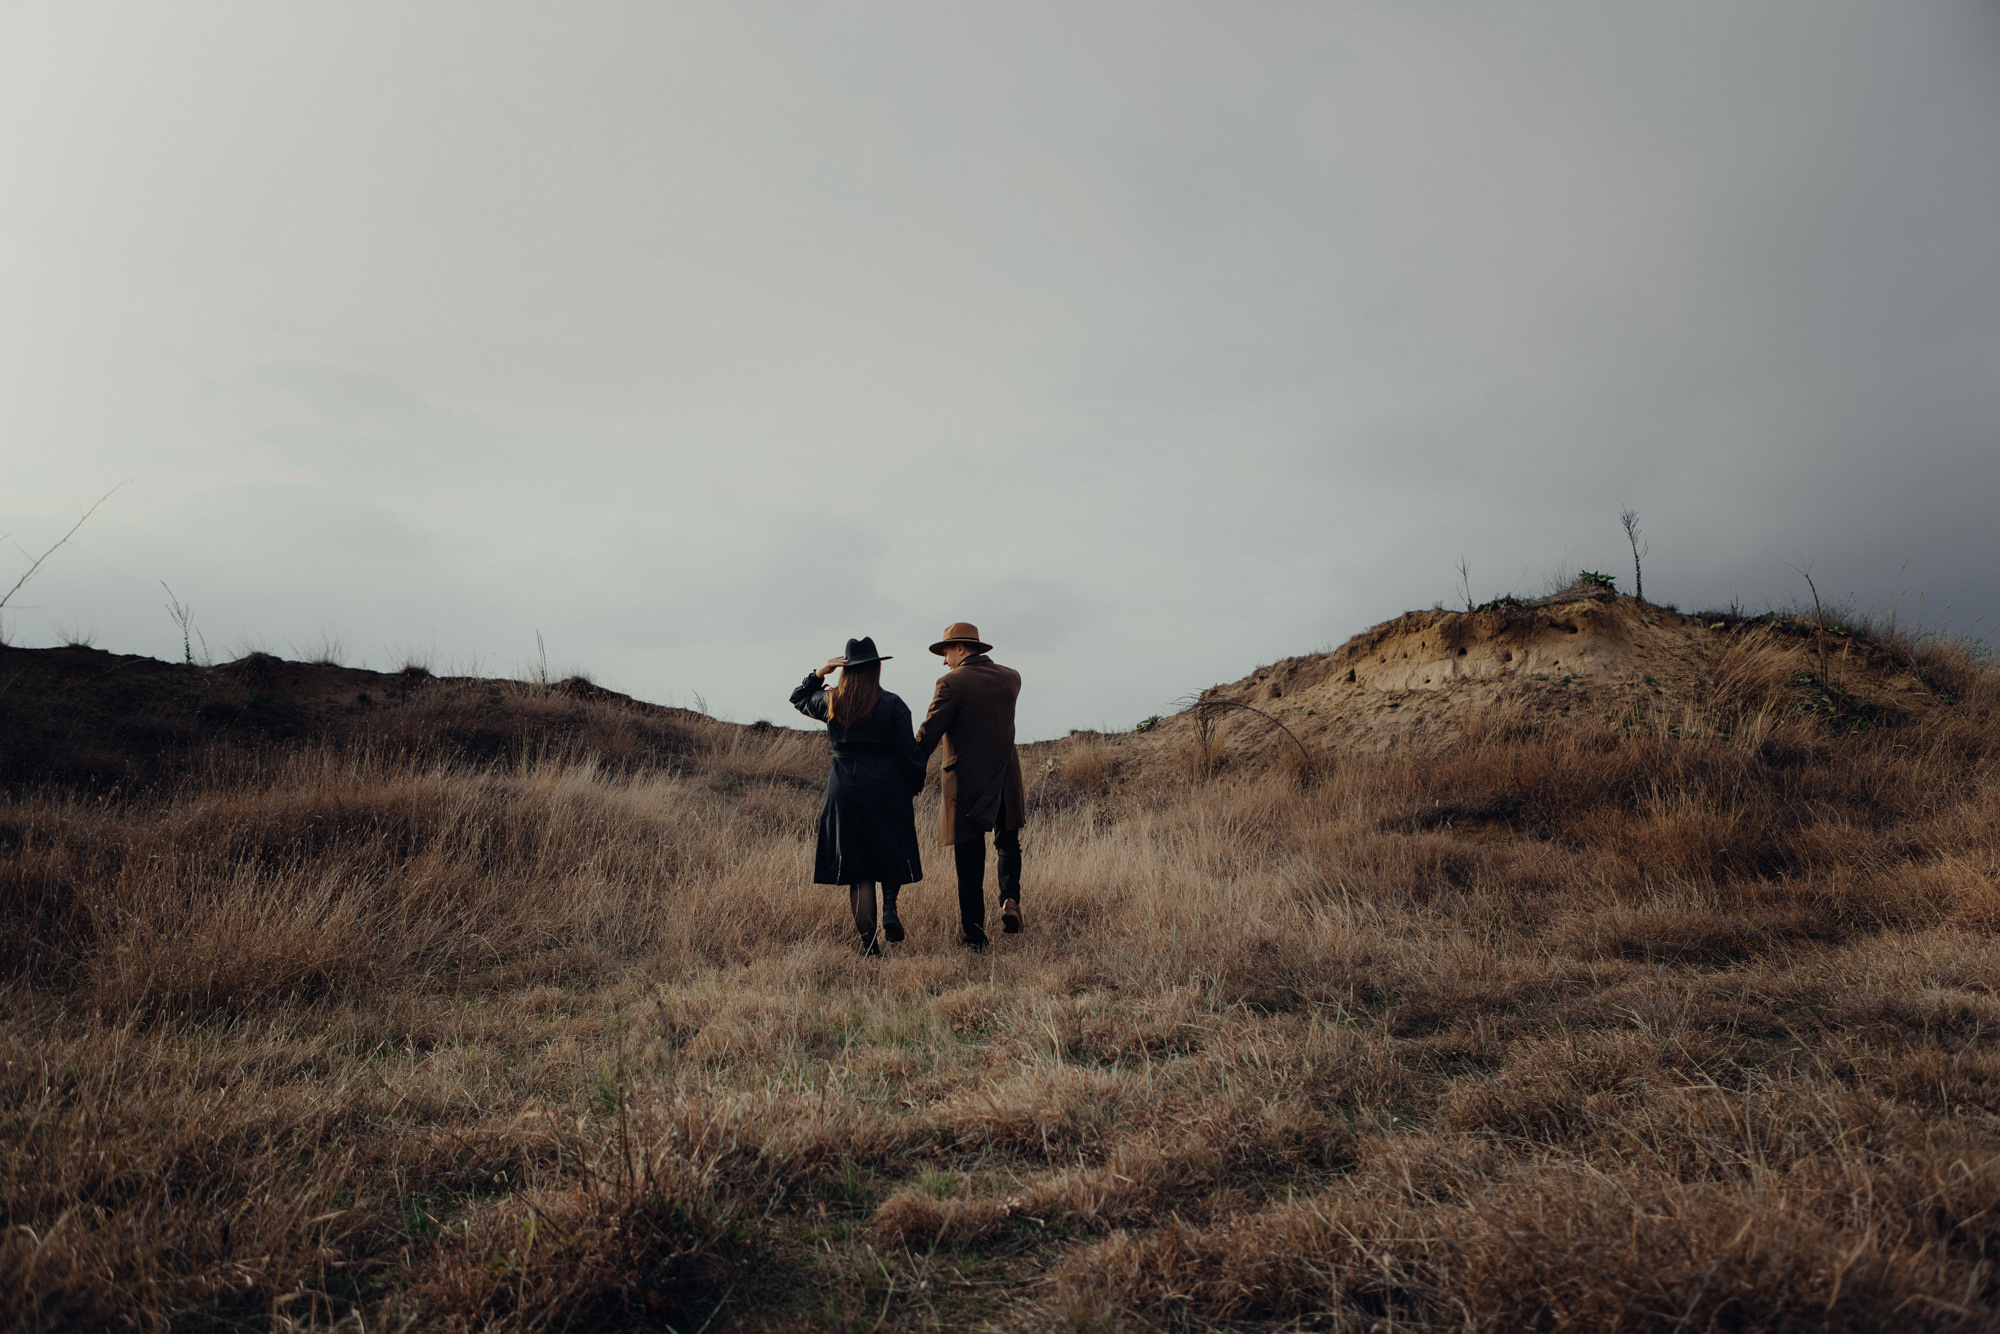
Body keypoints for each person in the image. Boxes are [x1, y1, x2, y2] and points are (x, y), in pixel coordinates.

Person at [790, 637, 927, 955]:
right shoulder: (893, 704)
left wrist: (819, 672)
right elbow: (909, 754)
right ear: (876, 668)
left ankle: (869, 949)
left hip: (845, 788)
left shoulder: (831, 701)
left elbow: (799, 698)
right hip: (886, 786)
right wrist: (914, 784)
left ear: (845, 669)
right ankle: (890, 906)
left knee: (860, 874)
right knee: (891, 851)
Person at [914, 622, 1025, 951]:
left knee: (970, 858)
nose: (944, 660)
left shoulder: (951, 683)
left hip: (967, 781)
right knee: (1008, 843)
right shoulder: (1011, 678)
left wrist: (905, 766)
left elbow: (928, 735)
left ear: (961, 648)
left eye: (946, 652)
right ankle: (1010, 900)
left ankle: (975, 935)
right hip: (1006, 776)